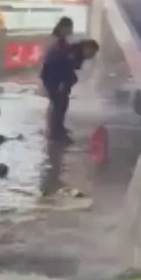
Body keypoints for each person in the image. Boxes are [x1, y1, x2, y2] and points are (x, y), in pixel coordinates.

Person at [40, 39, 100, 196]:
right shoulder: (71, 53)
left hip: (58, 80)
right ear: (87, 47)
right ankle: (55, 133)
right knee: (58, 106)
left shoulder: (73, 52)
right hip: (55, 79)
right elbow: (61, 68)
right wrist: (60, 84)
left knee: (60, 105)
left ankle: (57, 131)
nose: (91, 56)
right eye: (92, 52)